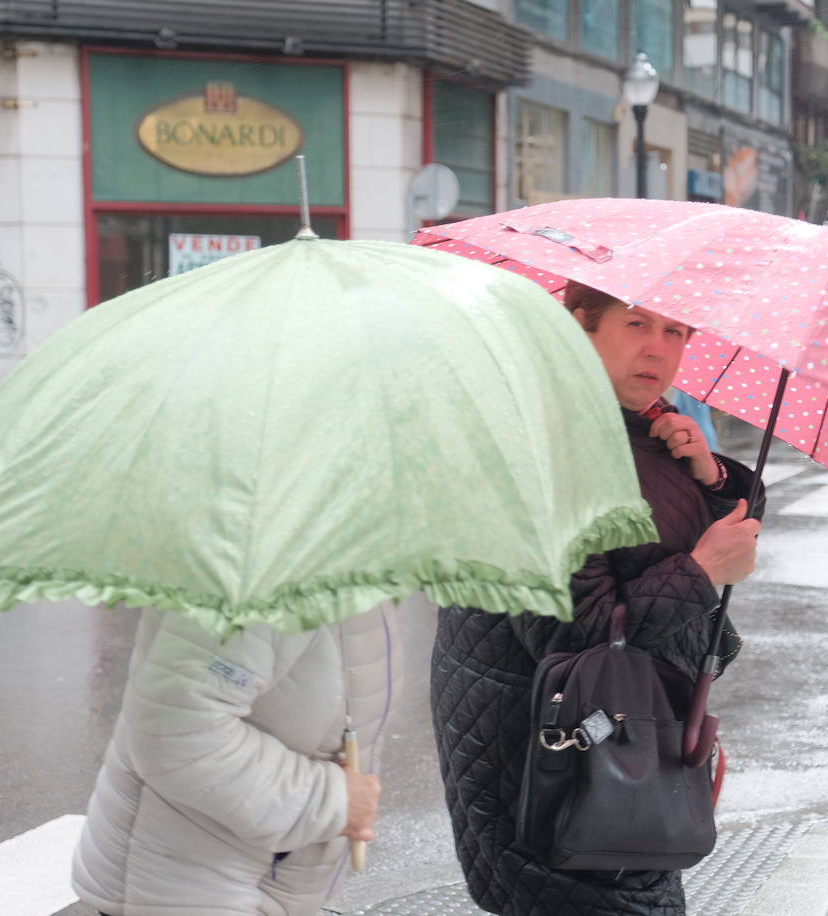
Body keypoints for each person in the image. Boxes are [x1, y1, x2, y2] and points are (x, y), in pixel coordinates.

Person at [431, 280, 764, 916]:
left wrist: (709, 475)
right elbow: (575, 632)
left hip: (626, 742)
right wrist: (699, 572)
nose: (659, 349)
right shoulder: (545, 448)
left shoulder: (642, 430)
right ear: (579, 326)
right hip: (555, 760)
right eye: (637, 324)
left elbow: (703, 530)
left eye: (677, 331)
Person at [71, 601, 400, 916]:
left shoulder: (350, 566)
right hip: (192, 888)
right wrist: (333, 800)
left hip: (246, 880)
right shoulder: (267, 573)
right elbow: (176, 732)